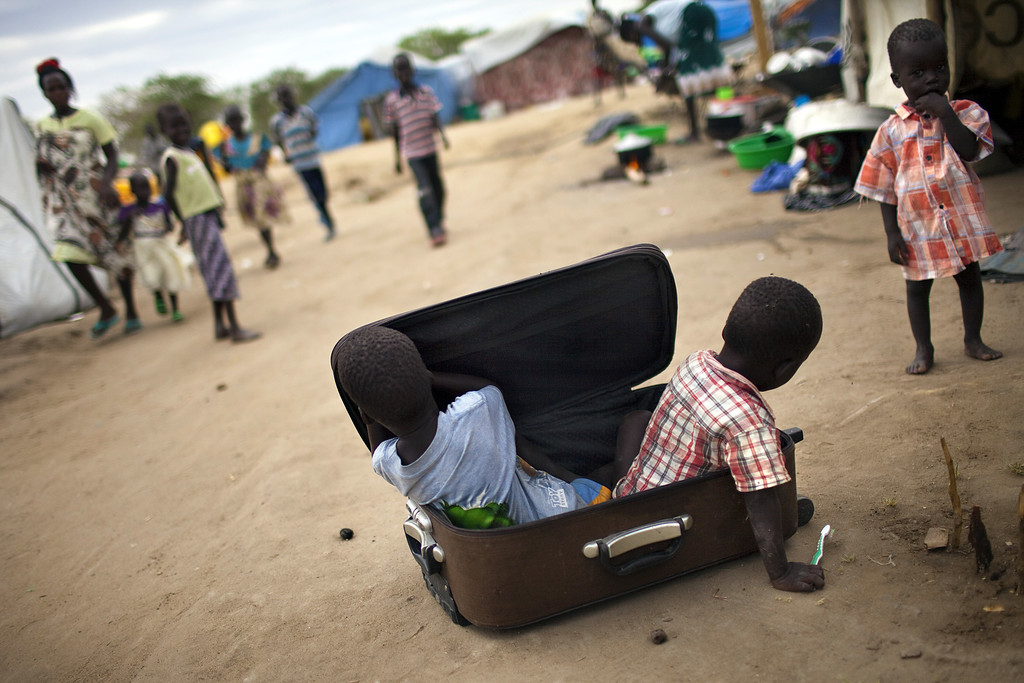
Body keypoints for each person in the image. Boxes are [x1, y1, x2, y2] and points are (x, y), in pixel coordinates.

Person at [612, 277, 825, 593]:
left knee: (637, 418)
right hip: (669, 525)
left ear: (726, 332)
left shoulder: (696, 363)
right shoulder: (751, 422)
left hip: (627, 495)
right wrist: (781, 572)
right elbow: (760, 498)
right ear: (784, 370)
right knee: (758, 486)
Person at [332, 326, 623, 526]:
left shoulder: (392, 466)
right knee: (634, 424)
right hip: (571, 513)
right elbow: (489, 389)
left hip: (515, 546)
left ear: (366, 415)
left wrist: (370, 415)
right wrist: (429, 377)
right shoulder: (475, 413)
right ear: (427, 378)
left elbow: (377, 450)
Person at [854, 18, 1003, 375]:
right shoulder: (890, 132)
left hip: (959, 223)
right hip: (917, 229)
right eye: (918, 72)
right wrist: (891, 234)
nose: (932, 78)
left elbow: (969, 151)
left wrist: (945, 113)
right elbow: (882, 187)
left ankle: (973, 339)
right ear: (897, 80)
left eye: (939, 67)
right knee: (917, 292)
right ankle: (924, 348)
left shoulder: (966, 113)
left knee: (970, 280)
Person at [34, 58, 141, 338]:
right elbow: (43, 158)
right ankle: (105, 306)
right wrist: (41, 165)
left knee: (115, 249)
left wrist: (107, 184)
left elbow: (112, 155)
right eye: (51, 88)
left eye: (61, 86)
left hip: (97, 194)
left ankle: (130, 309)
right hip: (65, 201)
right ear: (44, 93)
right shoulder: (42, 126)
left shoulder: (90, 118)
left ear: (70, 88)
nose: (56, 92)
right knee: (68, 252)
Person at [157, 103, 260, 343]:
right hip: (197, 219)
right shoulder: (172, 158)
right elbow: (169, 194)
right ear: (164, 129)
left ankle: (219, 325)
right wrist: (183, 220)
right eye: (174, 126)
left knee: (212, 270)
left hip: (206, 216)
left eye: (184, 124)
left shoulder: (189, 152)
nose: (181, 130)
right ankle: (234, 326)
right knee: (220, 270)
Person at [384, 53, 450, 247]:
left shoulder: (426, 93)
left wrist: (443, 137)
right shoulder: (392, 101)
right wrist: (397, 159)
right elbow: (395, 132)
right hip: (413, 154)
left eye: (406, 69)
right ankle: (434, 229)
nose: (404, 73)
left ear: (413, 71)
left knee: (439, 189)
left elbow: (434, 117)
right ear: (394, 74)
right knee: (425, 190)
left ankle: (439, 219)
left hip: (430, 148)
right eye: (399, 70)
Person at [116, 171, 191, 323]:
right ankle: (158, 295)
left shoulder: (160, 206)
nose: (144, 191)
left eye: (146, 187)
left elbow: (169, 225)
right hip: (143, 248)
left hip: (162, 244)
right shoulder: (129, 211)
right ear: (132, 191)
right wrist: (121, 241)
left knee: (170, 273)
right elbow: (123, 229)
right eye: (140, 188)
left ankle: (175, 308)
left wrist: (167, 227)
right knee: (151, 274)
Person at [217, 104, 286, 269]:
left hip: (259, 183)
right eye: (230, 121)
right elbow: (227, 169)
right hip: (243, 185)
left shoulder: (257, 138)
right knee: (257, 218)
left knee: (261, 215)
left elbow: (263, 161)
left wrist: (252, 166)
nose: (234, 124)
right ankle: (270, 250)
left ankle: (271, 250)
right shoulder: (226, 146)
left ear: (243, 120)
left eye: (236, 120)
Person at [269, 84, 335, 241]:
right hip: (299, 163)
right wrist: (286, 154)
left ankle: (324, 212)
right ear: (278, 101)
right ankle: (327, 220)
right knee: (314, 193)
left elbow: (314, 129)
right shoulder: (277, 122)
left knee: (323, 192)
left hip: (313, 158)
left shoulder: (306, 113)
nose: (286, 99)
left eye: (288, 95)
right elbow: (278, 140)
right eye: (282, 97)